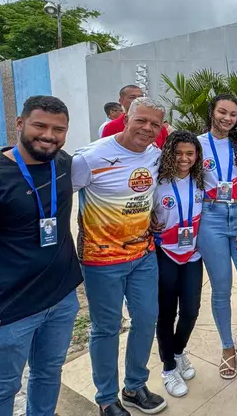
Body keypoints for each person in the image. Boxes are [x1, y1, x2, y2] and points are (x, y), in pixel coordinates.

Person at [0, 96, 81, 416]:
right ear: (20, 124)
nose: (49, 135)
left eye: (59, 129)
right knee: (2, 387)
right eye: (40, 125)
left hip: (62, 298)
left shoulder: (64, 163)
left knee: (49, 371)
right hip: (10, 309)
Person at [73, 96, 166, 415]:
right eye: (141, 120)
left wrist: (154, 215)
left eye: (155, 123)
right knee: (106, 327)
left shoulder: (156, 156)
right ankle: (106, 398)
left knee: (146, 318)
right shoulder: (90, 157)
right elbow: (56, 201)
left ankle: (135, 386)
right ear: (126, 118)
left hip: (143, 255)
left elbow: (150, 195)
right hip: (101, 262)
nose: (148, 128)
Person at [196, 95, 237, 380]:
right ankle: (226, 346)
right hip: (209, 219)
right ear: (212, 112)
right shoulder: (197, 144)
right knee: (221, 288)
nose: (227, 118)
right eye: (222, 112)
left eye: (233, 114)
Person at [150, 131, 205, 397]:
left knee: (192, 310)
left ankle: (179, 350)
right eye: (178, 153)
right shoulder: (157, 182)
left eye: (190, 153)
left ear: (197, 156)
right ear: (169, 153)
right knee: (166, 313)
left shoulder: (201, 181)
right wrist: (150, 219)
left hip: (192, 254)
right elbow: (142, 210)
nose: (184, 158)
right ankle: (169, 367)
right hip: (165, 254)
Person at [102, 85, 170, 148]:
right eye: (132, 97)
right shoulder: (111, 127)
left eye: (141, 97)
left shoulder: (159, 129)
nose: (138, 100)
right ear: (121, 101)